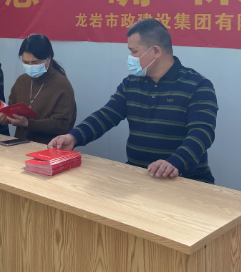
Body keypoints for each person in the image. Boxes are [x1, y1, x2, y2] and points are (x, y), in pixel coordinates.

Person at [49, 18, 218, 183]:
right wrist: (74, 137)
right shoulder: (131, 83)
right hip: (140, 175)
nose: (130, 57)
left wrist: (176, 162)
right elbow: (106, 116)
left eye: (134, 51)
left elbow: (202, 133)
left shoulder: (197, 85)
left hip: (185, 178)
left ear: (156, 51)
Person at [0, 34, 77, 144]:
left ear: (48, 58)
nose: (30, 66)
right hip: (19, 145)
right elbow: (12, 108)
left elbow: (62, 125)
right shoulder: (21, 81)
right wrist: (7, 118)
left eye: (35, 62)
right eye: (26, 62)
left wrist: (28, 123)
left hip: (50, 147)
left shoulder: (62, 85)